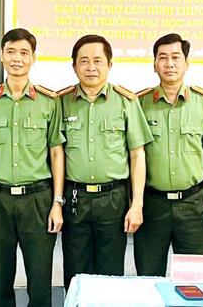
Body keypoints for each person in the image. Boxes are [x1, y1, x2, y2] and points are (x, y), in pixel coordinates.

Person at [0, 28, 64, 307]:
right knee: (0, 280)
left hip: (38, 199)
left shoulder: (48, 102)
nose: (17, 58)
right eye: (10, 52)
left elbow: (56, 153)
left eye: (24, 53)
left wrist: (57, 202)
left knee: (40, 279)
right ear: (1, 56)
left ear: (33, 58)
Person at [56, 35, 153, 288]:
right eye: (84, 61)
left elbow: (137, 154)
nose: (91, 67)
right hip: (75, 197)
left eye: (98, 61)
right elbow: (54, 153)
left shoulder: (126, 102)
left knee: (110, 273)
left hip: (113, 198)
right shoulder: (60, 103)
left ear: (110, 64)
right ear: (74, 66)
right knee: (75, 273)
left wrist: (137, 204)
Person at [134, 33, 203, 276]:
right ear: (154, 64)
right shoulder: (139, 103)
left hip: (193, 205)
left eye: (176, 57)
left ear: (186, 63)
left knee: (195, 279)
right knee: (148, 275)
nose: (169, 63)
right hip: (153, 205)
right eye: (163, 58)